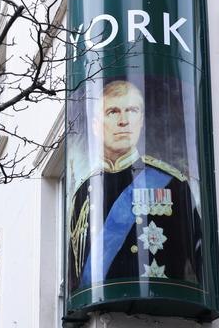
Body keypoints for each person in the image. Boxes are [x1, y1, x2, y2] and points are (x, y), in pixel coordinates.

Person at [68, 80, 202, 293]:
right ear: (95, 126)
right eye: (112, 112)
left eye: (131, 110)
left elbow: (199, 255)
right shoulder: (83, 193)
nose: (123, 121)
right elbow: (73, 273)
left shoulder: (172, 182)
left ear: (141, 121)